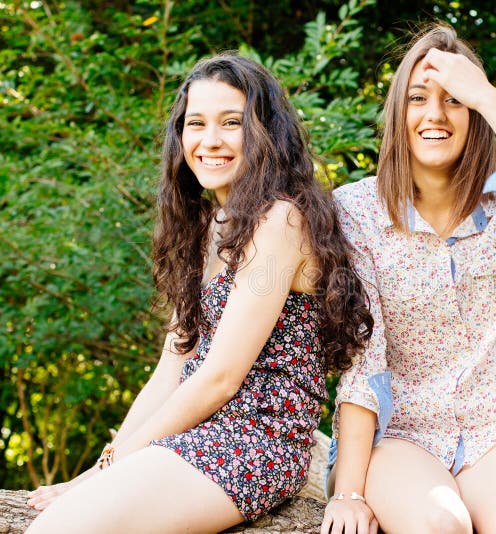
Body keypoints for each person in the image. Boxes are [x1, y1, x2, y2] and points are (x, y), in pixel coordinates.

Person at [25, 53, 373, 533]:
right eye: (196, 124)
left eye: (232, 123)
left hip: (255, 442)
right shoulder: (206, 228)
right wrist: (100, 467)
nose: (210, 141)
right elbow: (172, 365)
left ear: (267, 132)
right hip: (199, 435)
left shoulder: (281, 221)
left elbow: (220, 377)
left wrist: (107, 471)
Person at [321, 24, 496, 534]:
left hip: (487, 437)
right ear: (398, 112)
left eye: (454, 101)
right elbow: (365, 358)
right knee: (439, 525)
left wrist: (487, 95)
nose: (435, 115)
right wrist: (351, 492)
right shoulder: (355, 210)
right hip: (392, 439)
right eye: (419, 98)